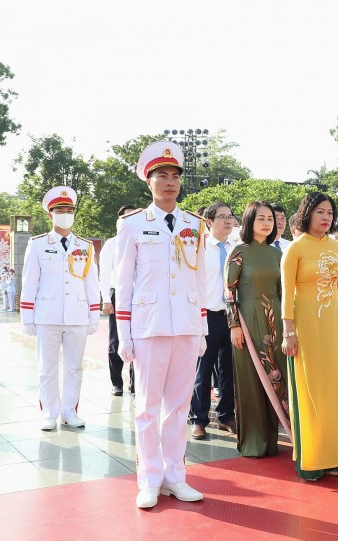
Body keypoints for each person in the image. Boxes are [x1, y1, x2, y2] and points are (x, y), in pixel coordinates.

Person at [115, 141, 208, 508]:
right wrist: (124, 335)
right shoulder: (132, 224)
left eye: (174, 176)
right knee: (148, 407)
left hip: (185, 324)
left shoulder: (194, 225)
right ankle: (150, 479)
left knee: (179, 407)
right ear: (149, 182)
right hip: (149, 326)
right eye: (161, 176)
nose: (169, 182)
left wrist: (202, 328)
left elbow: (200, 281)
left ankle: (175, 477)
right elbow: (123, 283)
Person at [280, 192, 338, 481]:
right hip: (306, 328)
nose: (325, 218)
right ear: (307, 214)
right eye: (320, 212)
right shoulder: (295, 249)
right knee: (310, 393)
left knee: (335, 392)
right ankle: (312, 459)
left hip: (334, 327)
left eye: (329, 213)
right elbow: (287, 295)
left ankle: (335, 455)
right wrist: (288, 333)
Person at [20, 186, 100, 431]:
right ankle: (48, 412)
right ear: (50, 215)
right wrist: (27, 317)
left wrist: (93, 314)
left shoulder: (85, 247)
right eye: (60, 210)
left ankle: (69, 411)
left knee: (75, 367)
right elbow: (30, 281)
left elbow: (91, 282)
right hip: (47, 315)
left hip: (77, 315)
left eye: (69, 210)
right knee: (47, 367)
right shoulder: (38, 244)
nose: (65, 213)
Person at [226, 200, 286, 456]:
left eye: (270, 219)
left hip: (276, 322)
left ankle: (272, 439)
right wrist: (234, 325)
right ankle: (253, 442)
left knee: (277, 379)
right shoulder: (239, 252)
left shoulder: (277, 254)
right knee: (251, 381)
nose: (266, 223)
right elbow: (229, 292)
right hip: (247, 322)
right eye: (261, 218)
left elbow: (284, 292)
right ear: (250, 220)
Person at [189, 203, 238, 440]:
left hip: (232, 317)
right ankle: (198, 419)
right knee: (203, 369)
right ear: (208, 221)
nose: (228, 221)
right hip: (206, 315)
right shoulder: (199, 248)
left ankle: (227, 415)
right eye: (222, 217)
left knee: (229, 369)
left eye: (230, 217)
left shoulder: (236, 249)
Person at [100, 204, 137, 396]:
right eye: (126, 217)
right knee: (116, 340)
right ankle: (117, 383)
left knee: (139, 340)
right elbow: (104, 273)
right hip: (118, 294)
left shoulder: (143, 240)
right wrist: (106, 299)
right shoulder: (111, 244)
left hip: (139, 294)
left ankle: (135, 384)